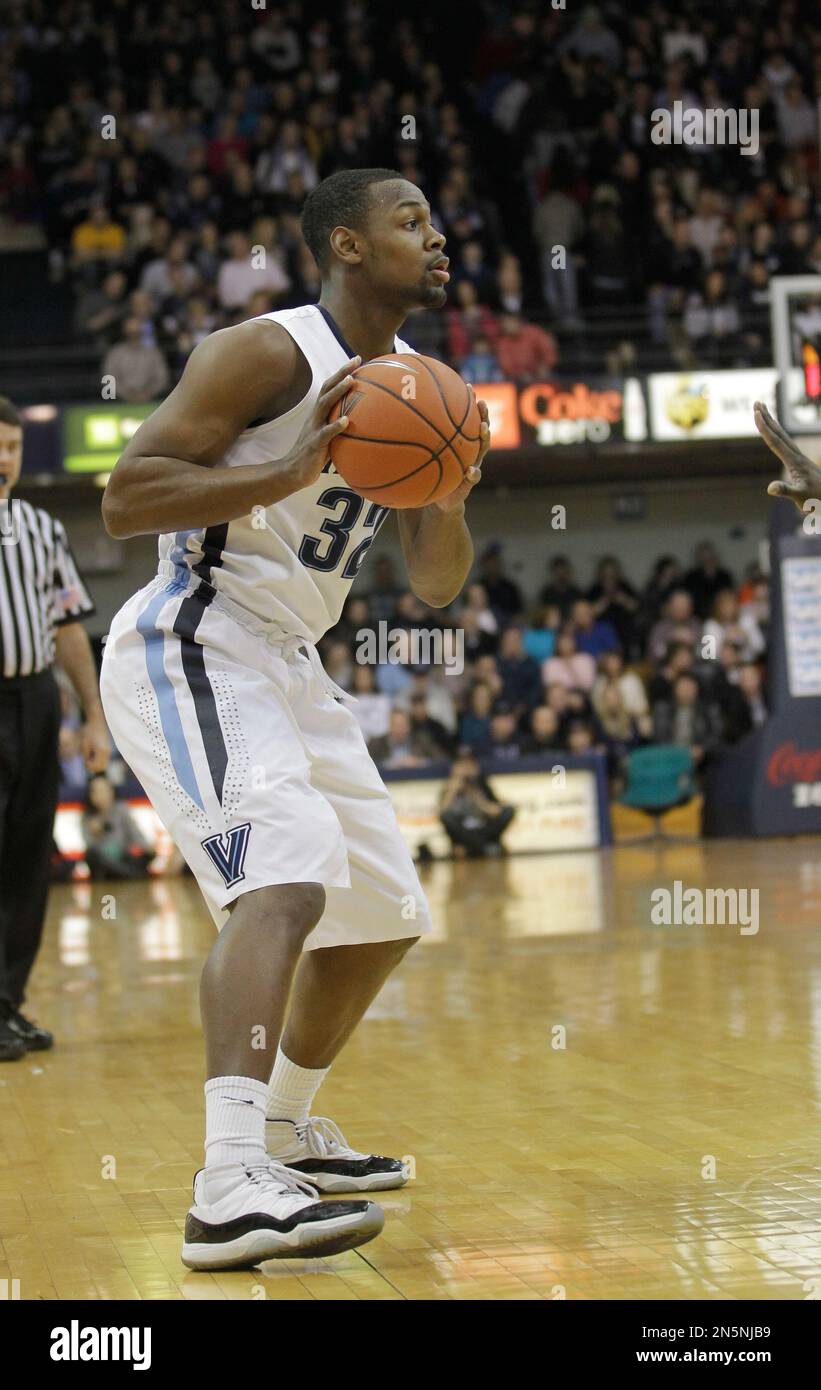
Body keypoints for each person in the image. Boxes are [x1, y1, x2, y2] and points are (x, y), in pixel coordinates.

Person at [99, 168, 491, 1269]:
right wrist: (282, 468)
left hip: (290, 660)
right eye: (409, 220)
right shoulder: (264, 353)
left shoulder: (425, 387)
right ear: (347, 246)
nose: (437, 234)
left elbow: (435, 586)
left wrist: (449, 497)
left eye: (434, 218)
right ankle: (227, 1183)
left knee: (380, 915)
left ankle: (282, 1130)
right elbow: (126, 498)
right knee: (280, 881)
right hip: (197, 634)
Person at [0, 396, 109, 1061]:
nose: (2, 459)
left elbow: (68, 627)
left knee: (26, 857)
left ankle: (7, 1003)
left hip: (35, 699)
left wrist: (93, 712)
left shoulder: (41, 528)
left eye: (11, 447)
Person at [439, 752, 515, 858]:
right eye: (462, 766)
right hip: (463, 831)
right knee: (447, 817)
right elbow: (443, 812)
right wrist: (452, 791)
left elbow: (495, 810)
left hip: (483, 827)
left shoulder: (481, 784)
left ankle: (471, 848)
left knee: (509, 810)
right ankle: (486, 847)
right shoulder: (450, 786)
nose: (465, 770)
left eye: (469, 766)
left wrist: (480, 802)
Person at [82, 773, 156, 879]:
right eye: (95, 792)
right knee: (91, 856)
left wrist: (147, 848)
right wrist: (95, 833)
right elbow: (90, 846)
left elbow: (135, 834)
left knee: (148, 855)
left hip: (123, 857)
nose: (99, 795)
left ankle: (126, 873)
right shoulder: (87, 817)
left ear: (111, 791)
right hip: (103, 863)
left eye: (103, 790)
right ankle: (131, 874)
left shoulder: (121, 809)